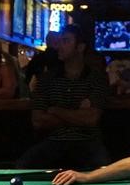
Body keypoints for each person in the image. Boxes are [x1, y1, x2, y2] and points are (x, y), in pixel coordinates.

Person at [16, 24, 110, 170]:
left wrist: (54, 110)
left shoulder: (96, 78)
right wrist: (77, 115)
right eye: (59, 41)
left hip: (87, 141)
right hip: (54, 140)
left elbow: (91, 119)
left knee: (104, 169)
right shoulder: (46, 79)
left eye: (65, 41)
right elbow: (38, 121)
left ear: (80, 47)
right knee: (23, 166)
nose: (59, 46)